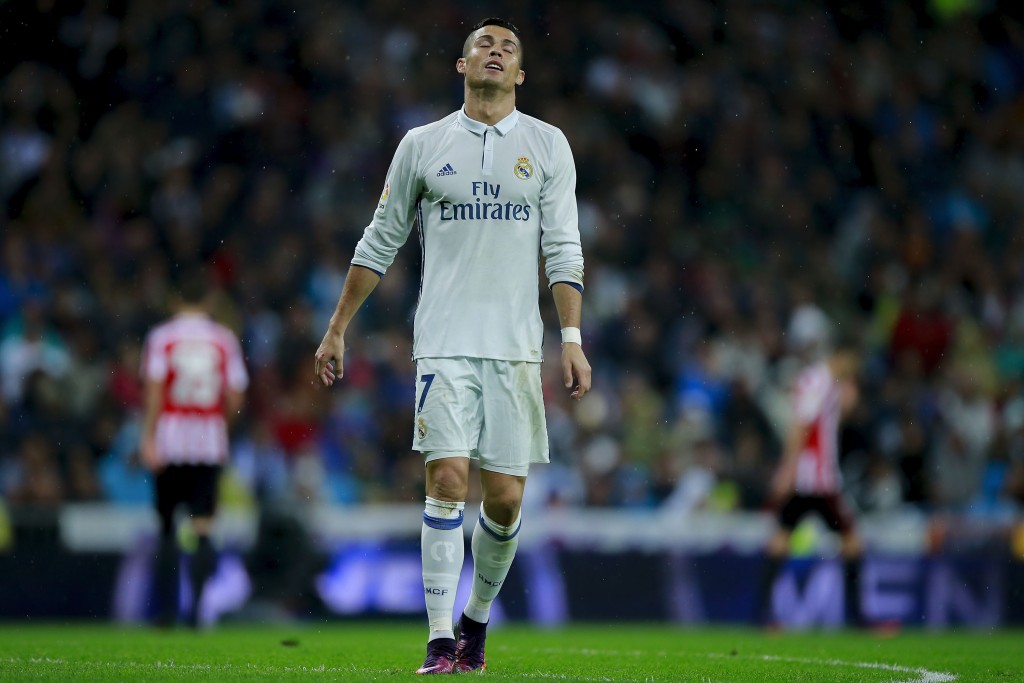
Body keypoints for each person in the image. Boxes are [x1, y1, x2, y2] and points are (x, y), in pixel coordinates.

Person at [314, 17, 591, 675]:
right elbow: (381, 237)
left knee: (506, 498)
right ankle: (440, 640)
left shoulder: (548, 145)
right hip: (443, 342)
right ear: (462, 66)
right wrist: (337, 325)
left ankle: (476, 620)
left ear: (520, 74)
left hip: (516, 349)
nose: (496, 51)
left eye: (508, 48)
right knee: (445, 479)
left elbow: (563, 247)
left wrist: (572, 338)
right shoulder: (422, 144)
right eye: (483, 44)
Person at [139, 268, 249, 627]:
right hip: (208, 441)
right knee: (203, 526)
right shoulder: (223, 339)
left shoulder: (162, 338)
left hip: (170, 440)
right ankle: (197, 613)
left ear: (175, 299)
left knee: (167, 527)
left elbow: (155, 391)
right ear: (210, 300)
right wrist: (220, 427)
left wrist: (148, 438)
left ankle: (166, 614)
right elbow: (236, 394)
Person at [757, 344, 865, 628]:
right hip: (816, 479)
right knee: (851, 542)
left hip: (813, 478)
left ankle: (762, 615)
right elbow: (801, 426)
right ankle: (858, 618)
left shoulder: (827, 383)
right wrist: (788, 470)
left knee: (781, 541)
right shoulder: (819, 381)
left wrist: (846, 403)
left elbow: (822, 425)